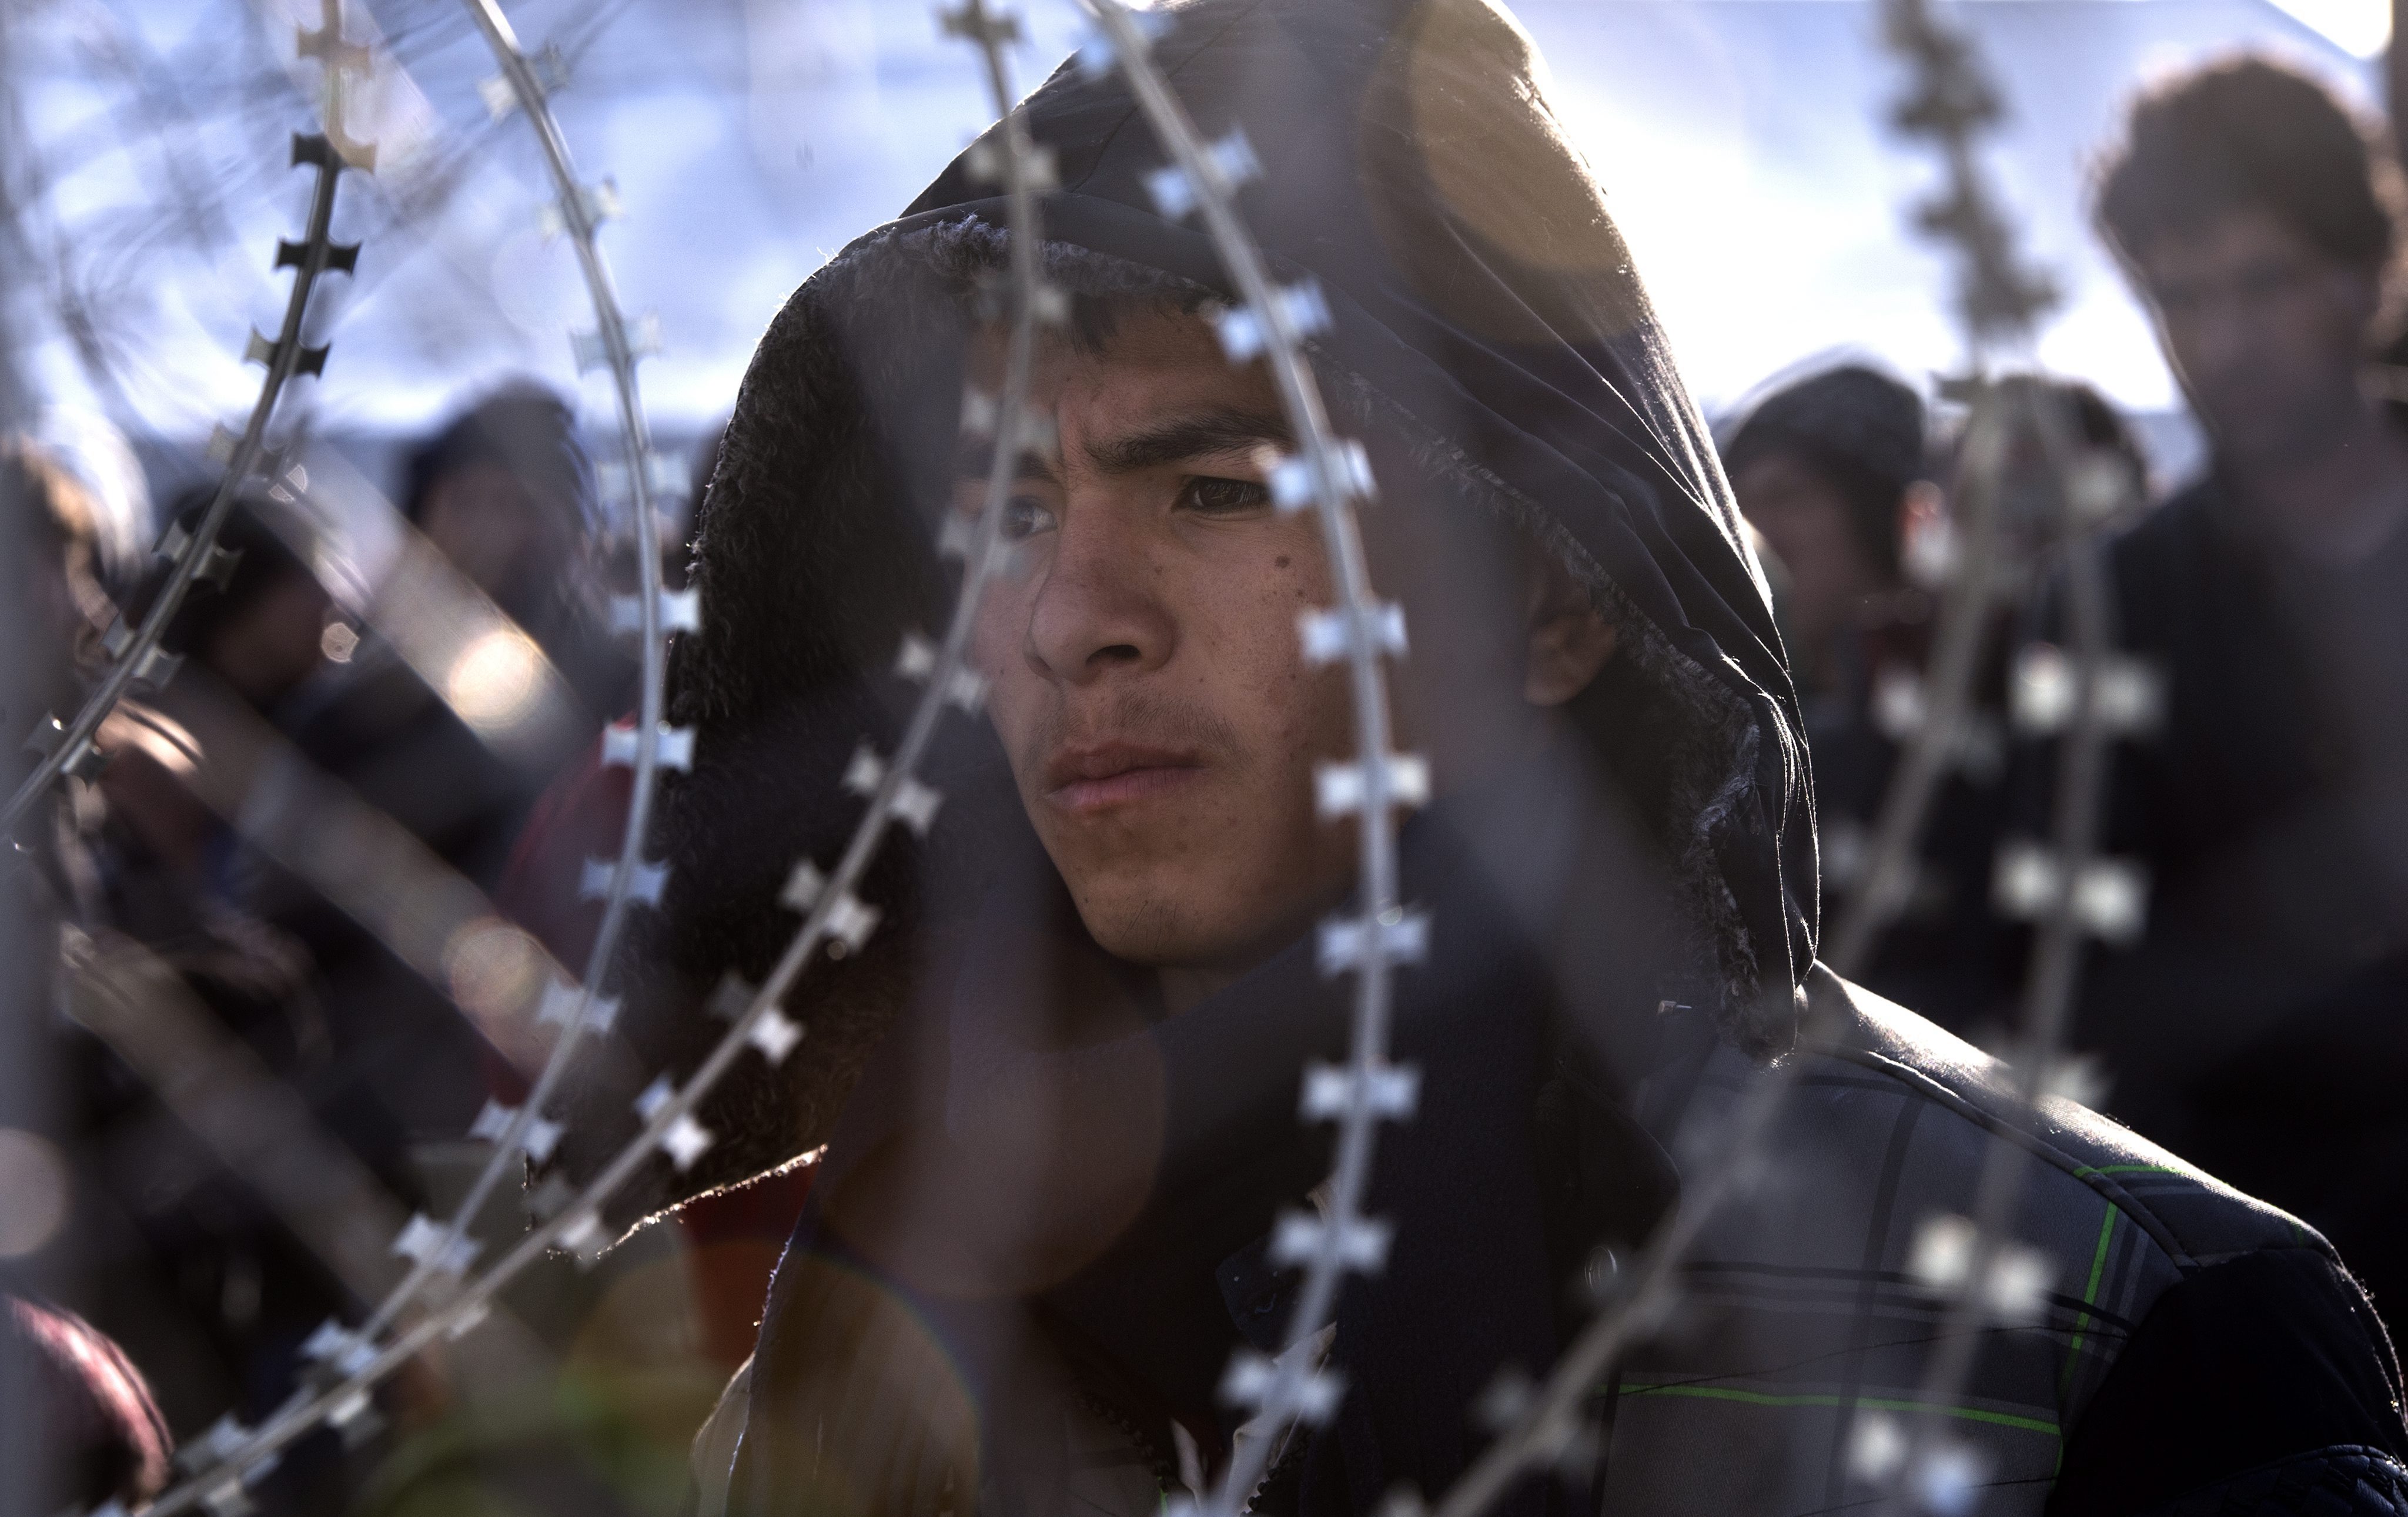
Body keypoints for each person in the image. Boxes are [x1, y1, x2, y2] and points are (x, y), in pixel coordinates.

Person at [567, 5, 2408, 1513]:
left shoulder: (2108, 1337)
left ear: (1559, 594)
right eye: (1009, 509)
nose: (1071, 614)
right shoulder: (874, 1280)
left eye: (1216, 484)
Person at [2065, 55, 2408, 1332]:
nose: (2219, 341)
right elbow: (2108, 996)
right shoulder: (2109, 611)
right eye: (2178, 295)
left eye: (2260, 284)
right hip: (2288, 1298)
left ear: (2359, 270)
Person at [1720, 364, 2014, 1028]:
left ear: (1893, 516)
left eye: (1786, 495)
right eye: (1733, 501)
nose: (1752, 530)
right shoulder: (1740, 723)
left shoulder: (1981, 727)